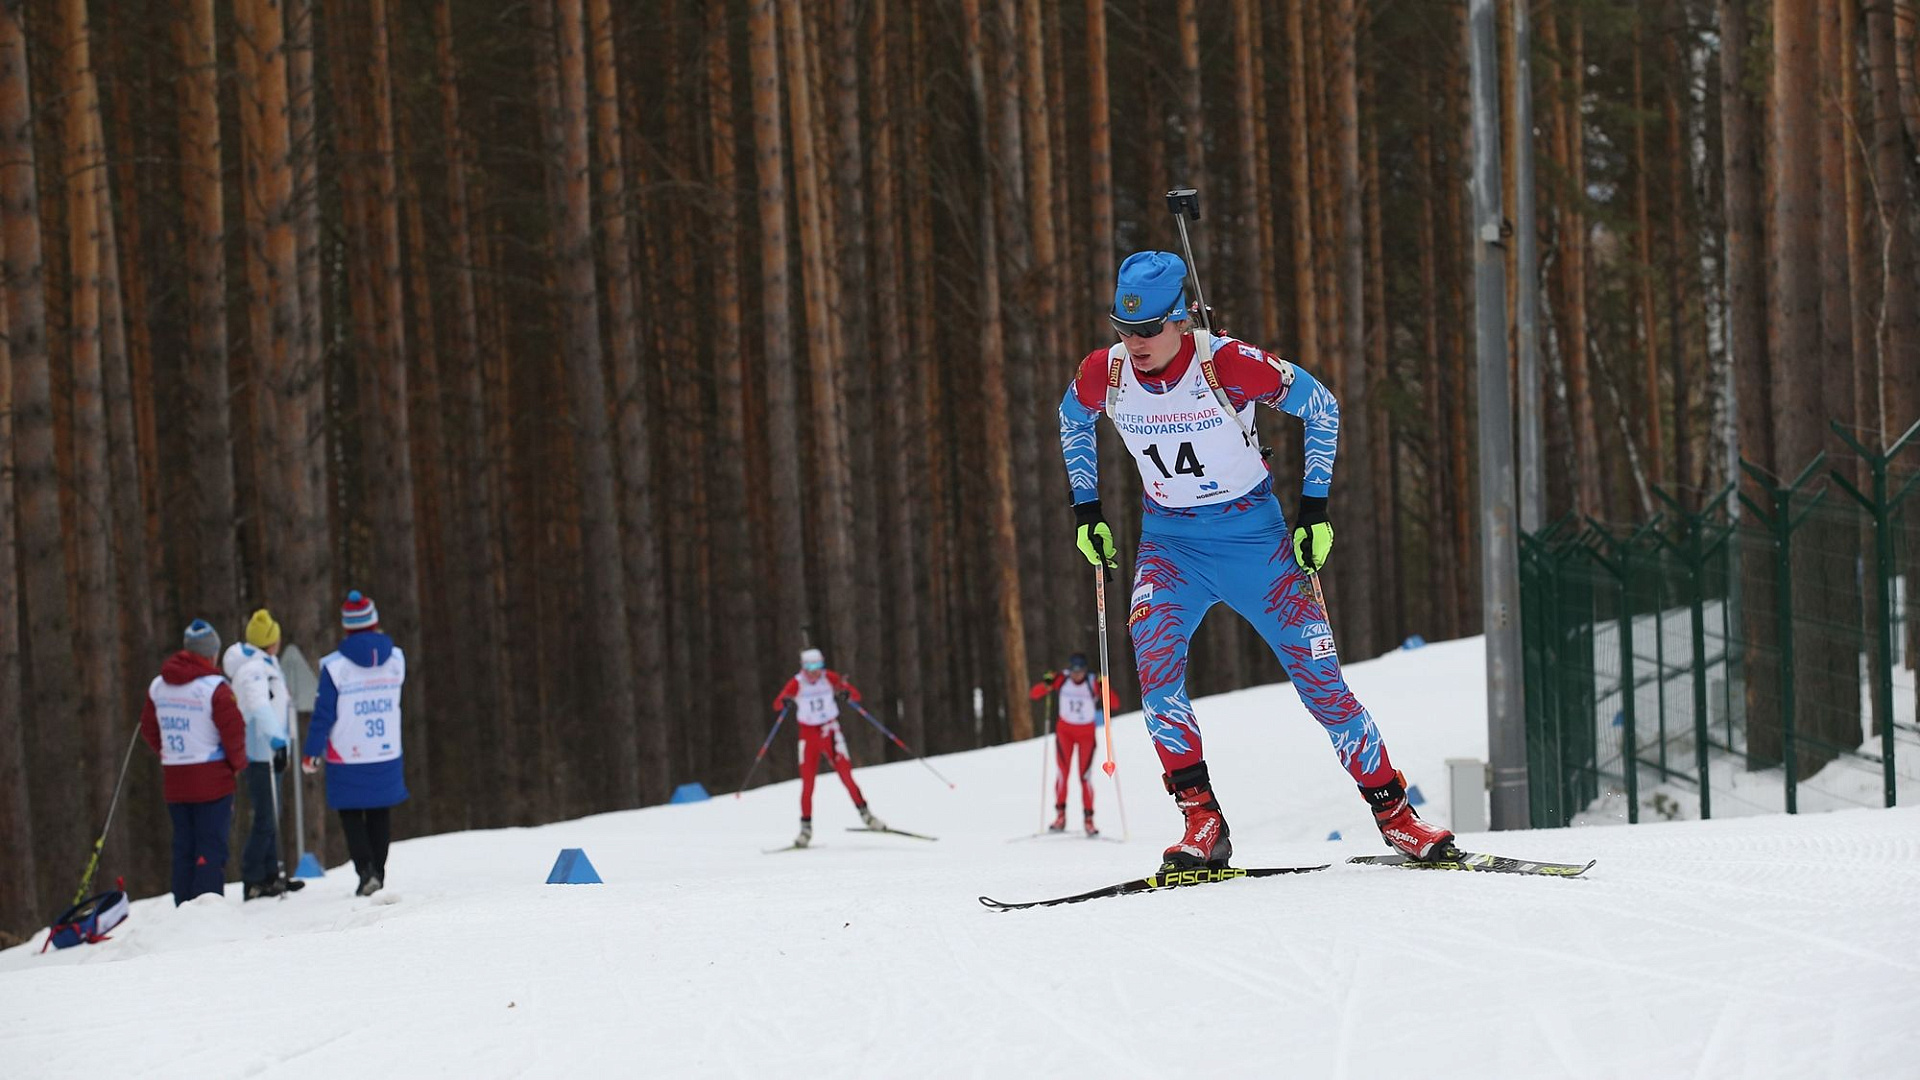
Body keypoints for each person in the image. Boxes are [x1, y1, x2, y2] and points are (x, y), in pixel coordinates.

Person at [1057, 250, 1454, 872]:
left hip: (1256, 544)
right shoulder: (1103, 375)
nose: (1134, 343)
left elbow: (1321, 406)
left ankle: (1396, 817)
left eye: (1149, 328)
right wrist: (1087, 510)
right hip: (1171, 547)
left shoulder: (1229, 363)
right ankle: (1202, 821)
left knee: (1322, 685)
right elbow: (1070, 420)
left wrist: (1314, 510)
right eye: (1124, 328)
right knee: (1157, 674)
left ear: (1182, 319)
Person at [302, 591, 407, 896]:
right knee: (379, 812)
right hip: (386, 748)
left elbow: (324, 713)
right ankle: (380, 873)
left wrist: (312, 752)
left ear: (347, 627)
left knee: (351, 813)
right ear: (375, 623)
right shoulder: (397, 659)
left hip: (347, 752)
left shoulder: (335, 667)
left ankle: (365, 872)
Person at [139, 619, 248, 904]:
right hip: (212, 780)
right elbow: (233, 733)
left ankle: (183, 907)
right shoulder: (216, 688)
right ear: (211, 653)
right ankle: (206, 911)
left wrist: (170, 753)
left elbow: (149, 728)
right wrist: (237, 765)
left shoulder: (158, 686)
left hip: (176, 780)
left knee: (184, 847)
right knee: (211, 847)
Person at [222, 609, 303, 900]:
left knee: (272, 814)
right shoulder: (255, 670)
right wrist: (278, 742)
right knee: (266, 817)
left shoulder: (266, 665)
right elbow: (259, 707)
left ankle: (270, 874)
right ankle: (254, 876)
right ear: (271, 640)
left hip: (269, 752)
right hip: (261, 754)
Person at [770, 647, 884, 847]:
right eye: (810, 667)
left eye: (818, 665)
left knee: (847, 776)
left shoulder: (828, 677)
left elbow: (855, 695)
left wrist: (846, 693)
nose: (815, 671)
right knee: (808, 783)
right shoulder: (797, 683)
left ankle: (867, 816)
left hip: (831, 732)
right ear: (803, 667)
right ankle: (806, 829)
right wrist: (786, 701)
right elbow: (777, 704)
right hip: (809, 736)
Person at [1027, 652, 1119, 836]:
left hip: (1086, 734)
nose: (1077, 674)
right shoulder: (1061, 679)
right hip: (1065, 733)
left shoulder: (1092, 682)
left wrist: (1104, 687)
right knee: (1063, 774)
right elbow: (1034, 694)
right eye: (1074, 671)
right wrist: (1047, 682)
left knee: (1084, 777)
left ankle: (1089, 820)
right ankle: (1060, 817)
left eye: (1081, 671)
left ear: (1085, 670)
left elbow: (1114, 704)